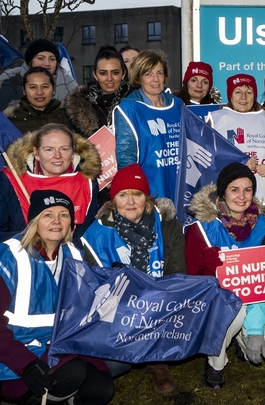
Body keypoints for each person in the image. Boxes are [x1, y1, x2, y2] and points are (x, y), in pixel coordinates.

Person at [0, 190, 113, 404]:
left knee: (101, 389)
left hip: (56, 346)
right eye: (48, 215)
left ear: (71, 223)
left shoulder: (73, 254)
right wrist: (25, 363)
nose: (57, 221)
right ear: (34, 221)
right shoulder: (9, 257)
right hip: (12, 354)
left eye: (64, 215)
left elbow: (89, 304)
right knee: (73, 373)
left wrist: (119, 281)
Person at [80, 164, 186, 394]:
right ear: (113, 199)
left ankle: (157, 361)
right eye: (122, 194)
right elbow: (91, 288)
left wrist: (157, 300)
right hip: (116, 309)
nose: (130, 201)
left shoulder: (167, 224)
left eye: (137, 194)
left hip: (158, 303)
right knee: (115, 365)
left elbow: (177, 273)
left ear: (146, 198)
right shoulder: (96, 234)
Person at [186, 162, 265, 389]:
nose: (242, 196)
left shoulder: (262, 226)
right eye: (234, 189)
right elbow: (192, 279)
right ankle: (215, 363)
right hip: (215, 302)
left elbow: (264, 282)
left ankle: (243, 337)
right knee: (233, 309)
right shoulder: (202, 228)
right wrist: (215, 276)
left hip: (254, 298)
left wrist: (256, 330)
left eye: (248, 189)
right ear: (223, 192)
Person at [0, 123, 100, 246]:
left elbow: (86, 234)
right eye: (49, 149)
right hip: (23, 253)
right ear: (37, 153)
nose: (57, 156)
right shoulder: (11, 180)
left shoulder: (86, 181)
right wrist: (34, 242)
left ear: (73, 152)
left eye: (64, 149)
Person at [207, 73, 265, 216]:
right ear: (230, 95)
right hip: (230, 206)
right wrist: (236, 168)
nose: (243, 97)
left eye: (249, 92)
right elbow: (206, 160)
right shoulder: (216, 120)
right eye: (238, 92)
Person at [113, 49, 186, 200]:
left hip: (181, 188)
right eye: (148, 74)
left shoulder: (178, 105)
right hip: (149, 192)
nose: (155, 79)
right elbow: (126, 158)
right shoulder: (129, 109)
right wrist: (135, 194)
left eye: (159, 73)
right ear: (139, 78)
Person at [64, 46, 131, 137]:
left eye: (115, 73)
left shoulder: (136, 100)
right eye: (103, 73)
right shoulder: (78, 105)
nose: (109, 78)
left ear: (123, 74)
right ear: (95, 75)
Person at [0, 38, 78, 109]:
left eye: (52, 59)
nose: (47, 63)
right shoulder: (11, 85)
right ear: (30, 61)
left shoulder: (71, 87)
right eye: (41, 58)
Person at [2, 66, 71, 133]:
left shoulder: (69, 116)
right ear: (24, 91)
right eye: (33, 87)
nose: (39, 92)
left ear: (53, 89)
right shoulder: (11, 119)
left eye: (45, 87)